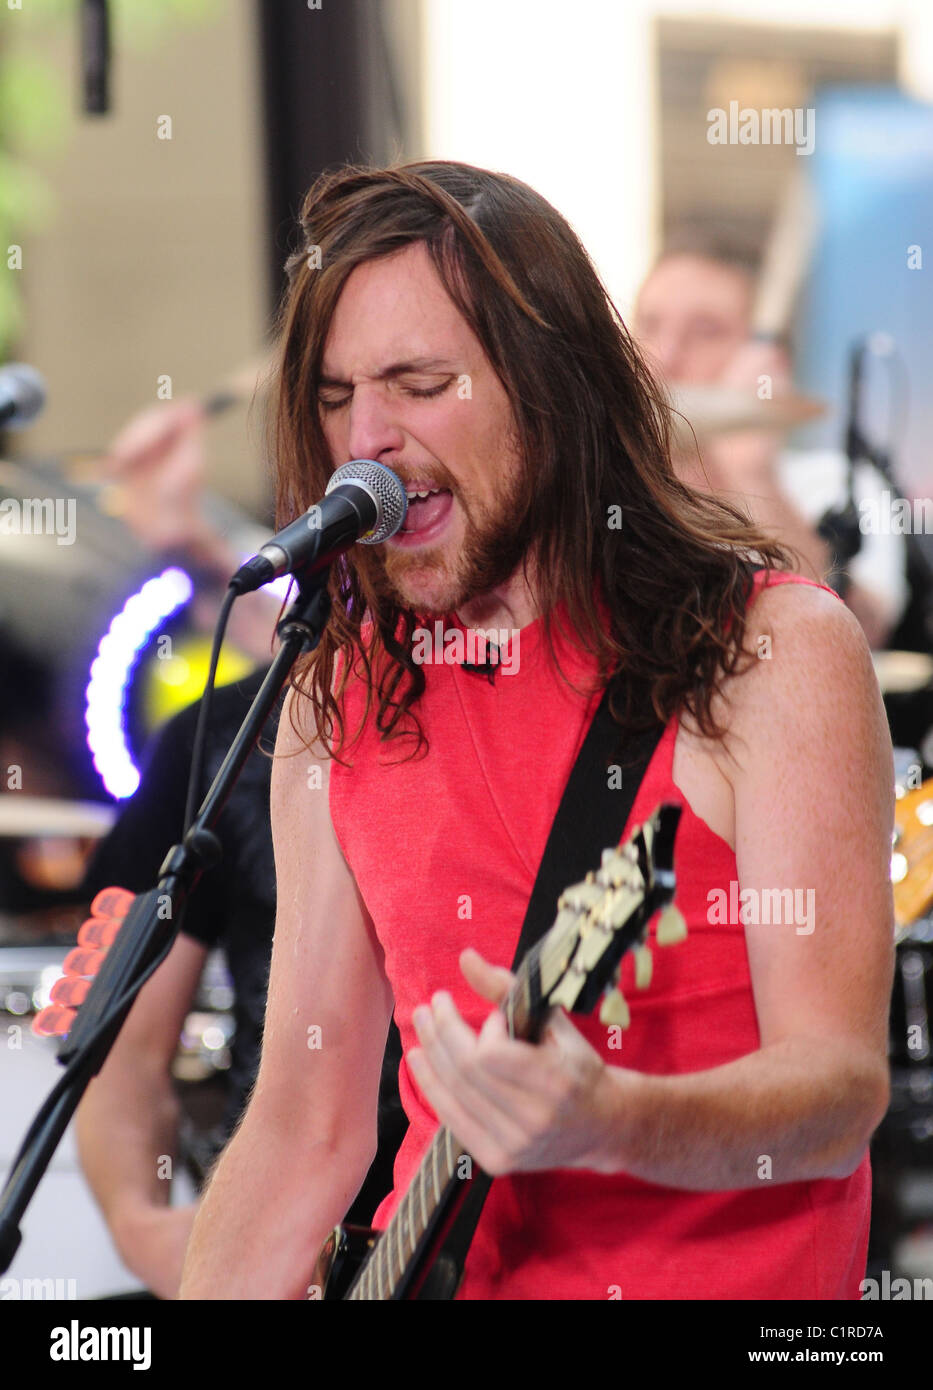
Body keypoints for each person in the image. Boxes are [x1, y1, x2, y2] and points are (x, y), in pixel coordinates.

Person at [180, 161, 894, 1301]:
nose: (366, 440)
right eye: (333, 395)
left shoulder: (771, 654)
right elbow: (303, 1131)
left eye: (419, 384)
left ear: (550, 390)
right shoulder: (339, 693)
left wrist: (615, 1120)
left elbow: (839, 1094)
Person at [633, 234, 908, 651]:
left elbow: (860, 635)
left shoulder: (836, 484)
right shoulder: (603, 488)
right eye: (650, 325)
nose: (665, 356)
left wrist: (752, 478)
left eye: (706, 331)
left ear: (766, 357)